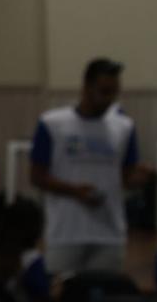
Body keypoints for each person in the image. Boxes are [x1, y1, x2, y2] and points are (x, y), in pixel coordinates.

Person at [30, 58, 150, 276]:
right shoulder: (52, 124)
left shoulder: (124, 127)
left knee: (104, 292)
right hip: (65, 232)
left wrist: (144, 177)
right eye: (104, 92)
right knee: (62, 290)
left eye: (114, 93)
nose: (109, 99)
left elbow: (126, 177)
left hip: (109, 232)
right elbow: (37, 176)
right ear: (86, 87)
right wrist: (75, 191)